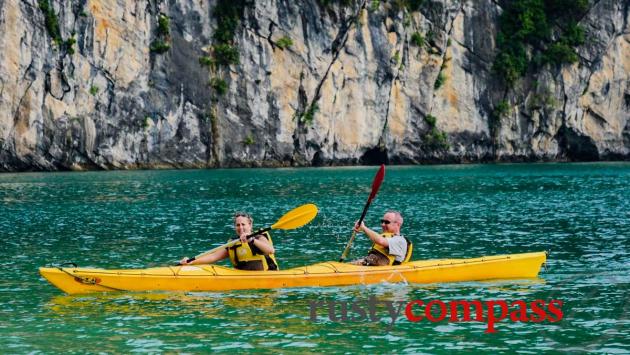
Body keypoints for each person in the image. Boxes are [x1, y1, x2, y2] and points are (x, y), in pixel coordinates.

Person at [179, 212, 278, 270]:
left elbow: (270, 250)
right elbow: (213, 256)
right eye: (237, 225)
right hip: (241, 279)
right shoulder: (233, 243)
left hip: (266, 276)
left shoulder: (259, 237)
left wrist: (252, 240)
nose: (240, 227)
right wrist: (191, 262)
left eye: (243, 224)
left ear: (250, 225)